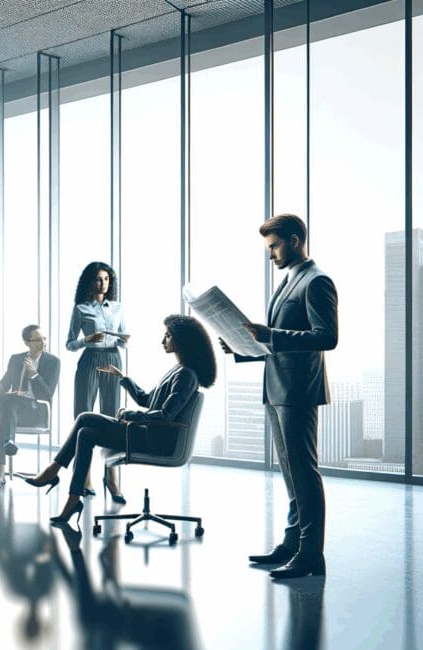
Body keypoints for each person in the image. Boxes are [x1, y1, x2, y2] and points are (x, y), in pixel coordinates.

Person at [226, 214, 337, 580]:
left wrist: (270, 333)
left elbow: (327, 337)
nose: (270, 254)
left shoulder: (317, 281)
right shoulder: (289, 281)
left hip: (298, 390)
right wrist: (241, 347)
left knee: (304, 472)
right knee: (290, 474)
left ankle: (310, 554)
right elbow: (273, 341)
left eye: (274, 246)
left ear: (294, 239)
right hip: (276, 389)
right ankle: (292, 543)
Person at [28, 315, 216, 526]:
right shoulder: (178, 371)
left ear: (182, 340)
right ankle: (73, 499)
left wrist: (129, 415)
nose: (163, 341)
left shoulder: (186, 376)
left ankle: (52, 471)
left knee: (85, 417)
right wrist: (121, 377)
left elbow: (165, 416)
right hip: (146, 434)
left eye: (168, 336)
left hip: (154, 440)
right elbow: (147, 400)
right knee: (85, 433)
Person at [65, 261, 130, 495]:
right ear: (89, 282)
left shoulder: (118, 308)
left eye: (106, 279)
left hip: (112, 359)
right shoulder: (81, 309)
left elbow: (122, 340)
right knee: (83, 415)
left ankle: (111, 479)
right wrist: (87, 339)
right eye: (98, 279)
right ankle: (84, 477)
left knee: (112, 418)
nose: (102, 283)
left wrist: (124, 340)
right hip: (89, 359)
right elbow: (70, 344)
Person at [0, 324, 61, 489]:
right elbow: (5, 386)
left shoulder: (53, 362)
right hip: (14, 409)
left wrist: (33, 373)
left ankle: (0, 472)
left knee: (1, 412)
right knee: (0, 413)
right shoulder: (16, 359)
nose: (43, 343)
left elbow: (48, 394)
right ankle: (4, 459)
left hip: (35, 411)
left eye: (44, 338)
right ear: (27, 342)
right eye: (38, 340)